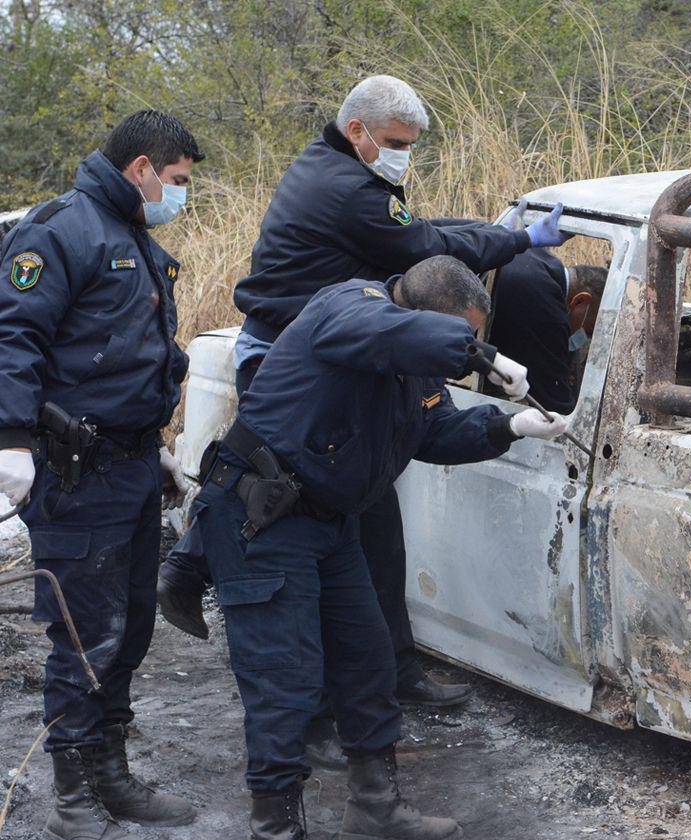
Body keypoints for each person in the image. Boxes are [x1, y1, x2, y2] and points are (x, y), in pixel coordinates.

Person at [156, 75, 568, 714]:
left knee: (364, 520)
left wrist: (507, 424)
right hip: (300, 363)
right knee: (288, 513)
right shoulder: (347, 188)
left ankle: (383, 668)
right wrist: (512, 244)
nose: (404, 153)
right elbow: (424, 246)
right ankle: (311, 694)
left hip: (342, 353)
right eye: (398, 141)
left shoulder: (342, 171)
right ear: (358, 131)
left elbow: (419, 232)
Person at [192, 256, 568, 840]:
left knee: (370, 661)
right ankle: (275, 831)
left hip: (332, 522)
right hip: (263, 521)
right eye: (461, 334)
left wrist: (510, 427)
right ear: (422, 314)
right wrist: (482, 356)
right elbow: (394, 333)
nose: (466, 347)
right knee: (284, 681)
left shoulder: (413, 363)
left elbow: (436, 432)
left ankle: (374, 805)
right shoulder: (350, 307)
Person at [0, 110, 202, 840]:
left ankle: (110, 768)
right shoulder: (60, 232)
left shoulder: (132, 239)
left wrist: (153, 445)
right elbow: (13, 336)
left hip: (129, 464)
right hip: (74, 472)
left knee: (130, 629)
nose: (180, 194)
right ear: (142, 169)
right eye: (176, 181)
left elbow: (126, 353)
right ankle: (72, 794)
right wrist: (12, 440)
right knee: (83, 636)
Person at [481, 225, 607, 413]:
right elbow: (554, 403)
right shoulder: (546, 311)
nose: (583, 338)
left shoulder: (539, 258)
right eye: (589, 330)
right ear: (580, 300)